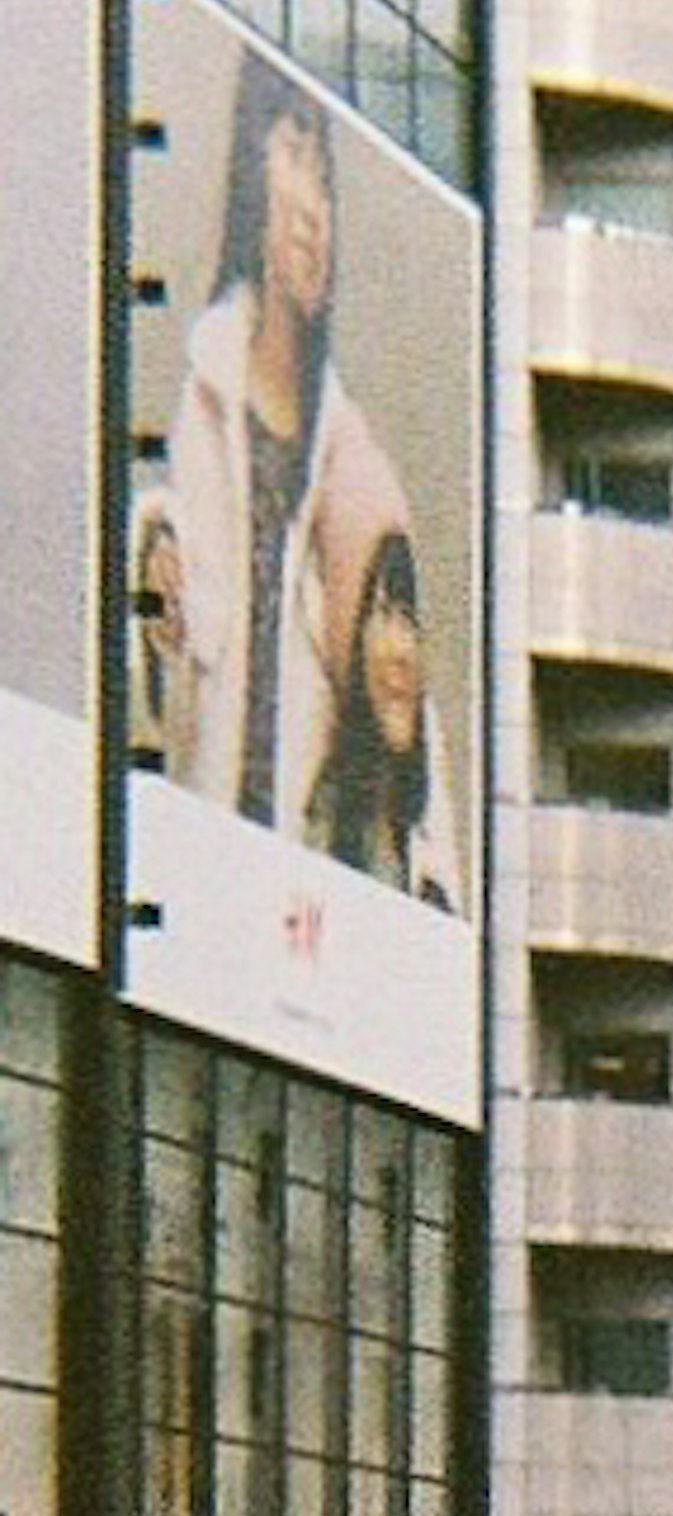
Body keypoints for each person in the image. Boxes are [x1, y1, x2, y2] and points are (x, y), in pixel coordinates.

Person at [136, 44, 401, 834]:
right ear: (252, 175)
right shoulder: (201, 385)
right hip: (186, 846)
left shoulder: (345, 450)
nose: (314, 208)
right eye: (293, 156)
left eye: (324, 172)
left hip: (299, 877)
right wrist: (153, 546)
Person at [299, 472, 462, 904]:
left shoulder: (425, 851)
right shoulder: (309, 832)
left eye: (407, 615)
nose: (401, 650)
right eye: (379, 612)